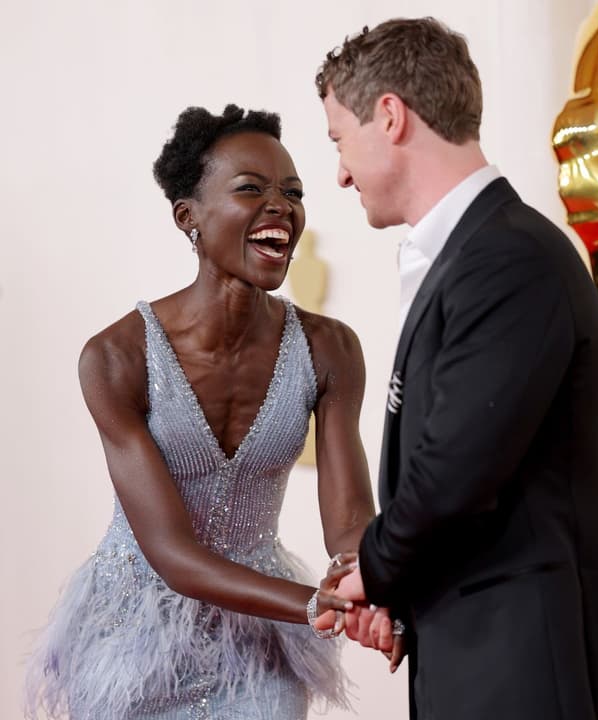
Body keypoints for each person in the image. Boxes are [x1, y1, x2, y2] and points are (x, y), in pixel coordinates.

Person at [314, 17, 598, 719]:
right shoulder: (481, 252)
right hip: (478, 645)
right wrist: (392, 583)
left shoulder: (509, 259)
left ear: (389, 116)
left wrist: (374, 569)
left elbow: (454, 474)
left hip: (520, 660)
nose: (338, 172)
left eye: (340, 140)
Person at [24, 105, 376, 720]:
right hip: (132, 639)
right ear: (189, 217)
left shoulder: (330, 348)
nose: (281, 207)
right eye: (251, 189)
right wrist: (318, 602)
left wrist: (366, 578)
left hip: (261, 645)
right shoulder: (116, 357)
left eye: (292, 193)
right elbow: (172, 553)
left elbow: (349, 521)